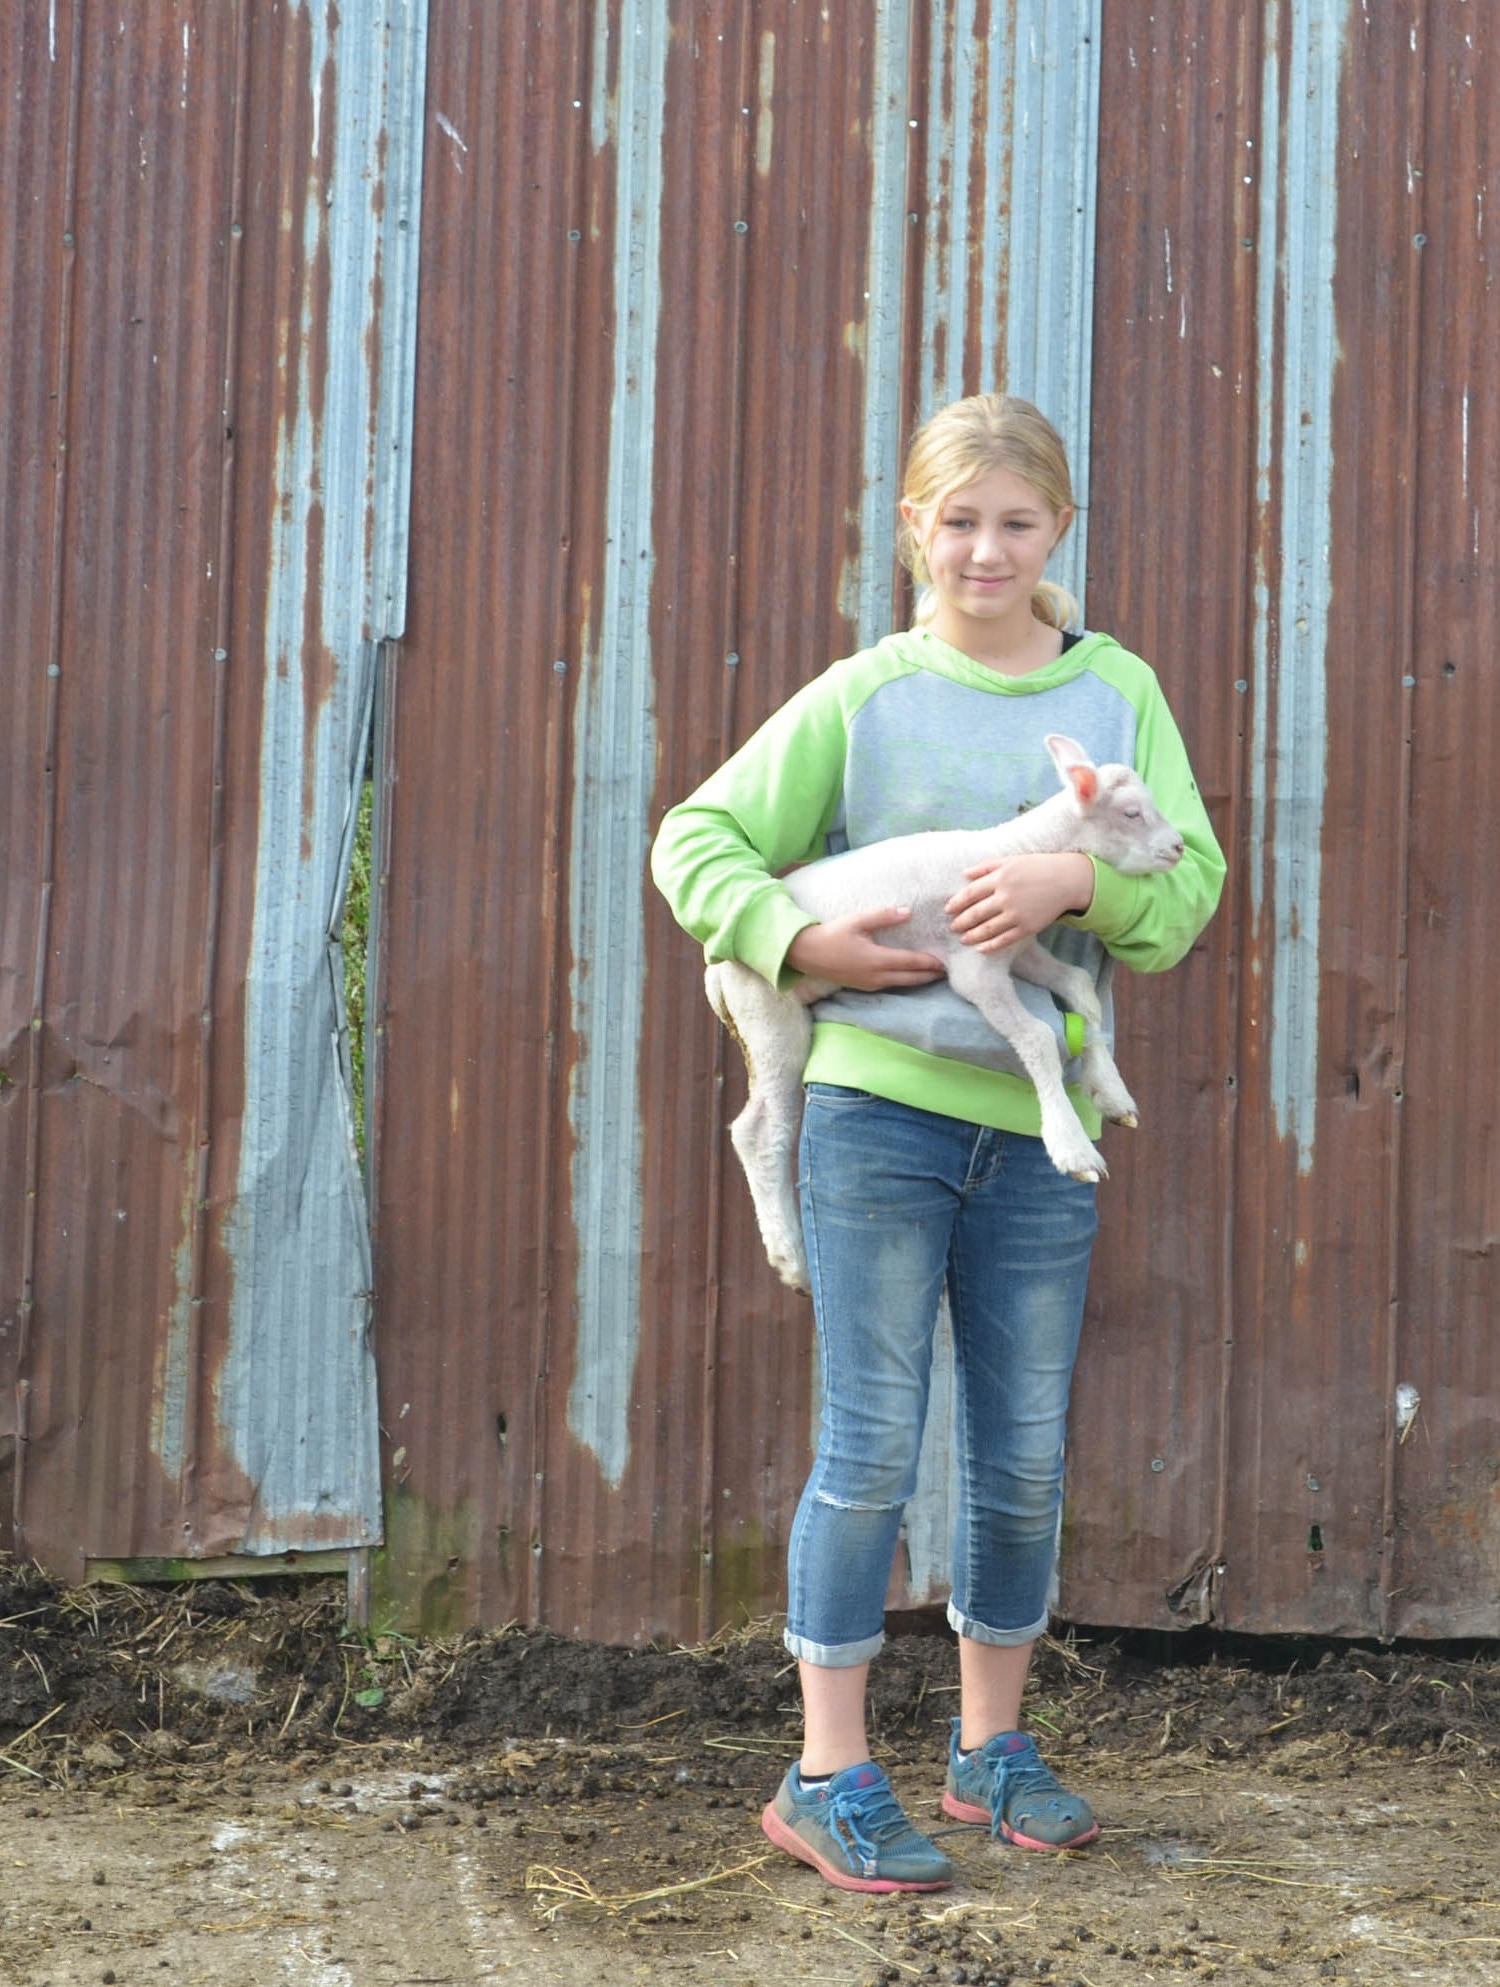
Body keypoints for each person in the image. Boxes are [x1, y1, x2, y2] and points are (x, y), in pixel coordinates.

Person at [649, 393, 1225, 1893]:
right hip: (872, 1126)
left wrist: (1071, 898)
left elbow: (1187, 891)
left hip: (1035, 1152)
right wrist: (796, 939)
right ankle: (825, 1771)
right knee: (869, 1448)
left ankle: (989, 1754)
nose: (985, 549)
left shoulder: (1113, 696)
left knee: (1023, 1458)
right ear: (914, 530)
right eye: (957, 521)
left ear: (1057, 534)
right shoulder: (865, 693)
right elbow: (695, 838)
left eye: (1015, 523)